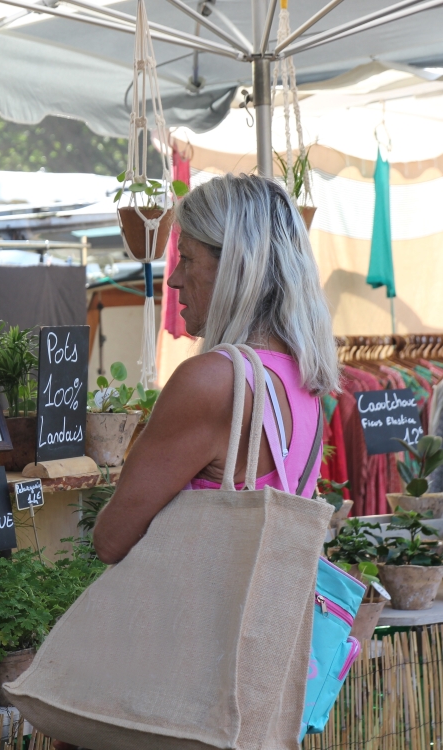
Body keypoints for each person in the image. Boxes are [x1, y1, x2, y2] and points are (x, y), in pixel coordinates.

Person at [93, 173, 339, 563]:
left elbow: (111, 540)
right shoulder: (302, 376)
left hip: (200, 601)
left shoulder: (213, 381)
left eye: (187, 258)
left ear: (236, 267)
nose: (174, 279)